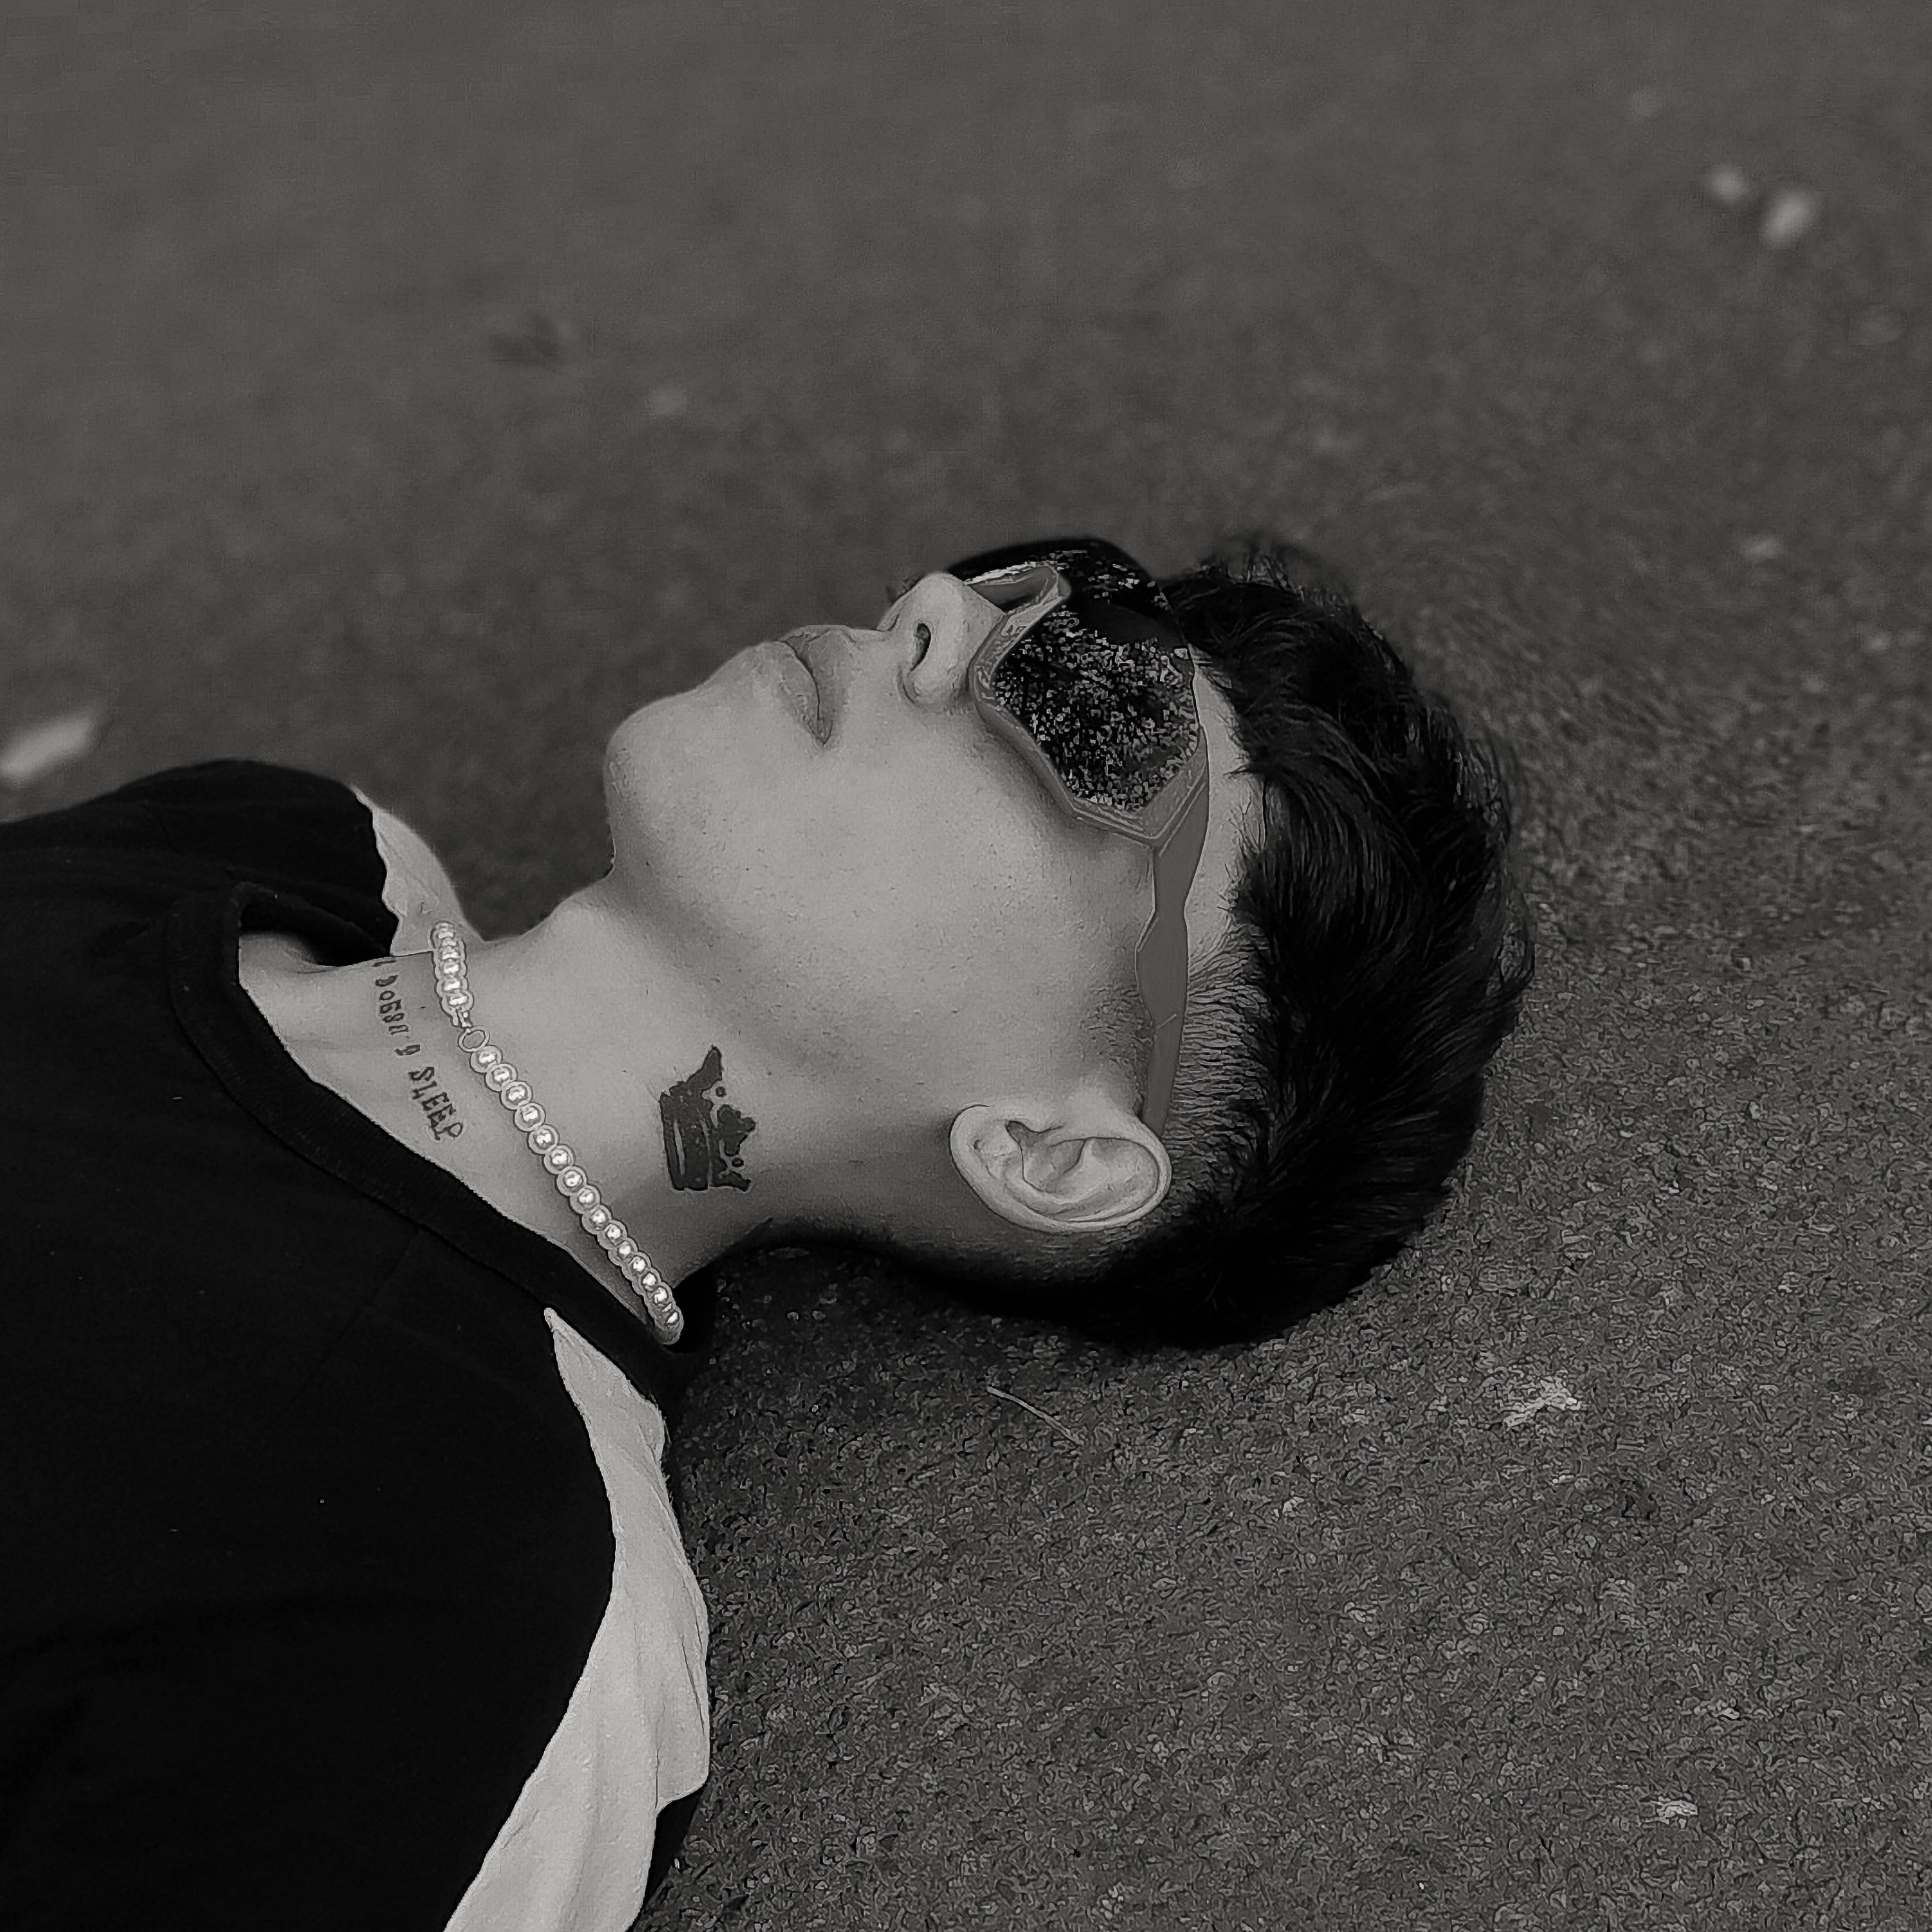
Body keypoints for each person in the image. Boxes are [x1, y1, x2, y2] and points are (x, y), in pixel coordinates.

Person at [0, 535, 1531, 1929]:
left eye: (1094, 716)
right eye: (1023, 594)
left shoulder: (489, 1627)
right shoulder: (287, 843)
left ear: (1052, 1154)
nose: (932, 615)